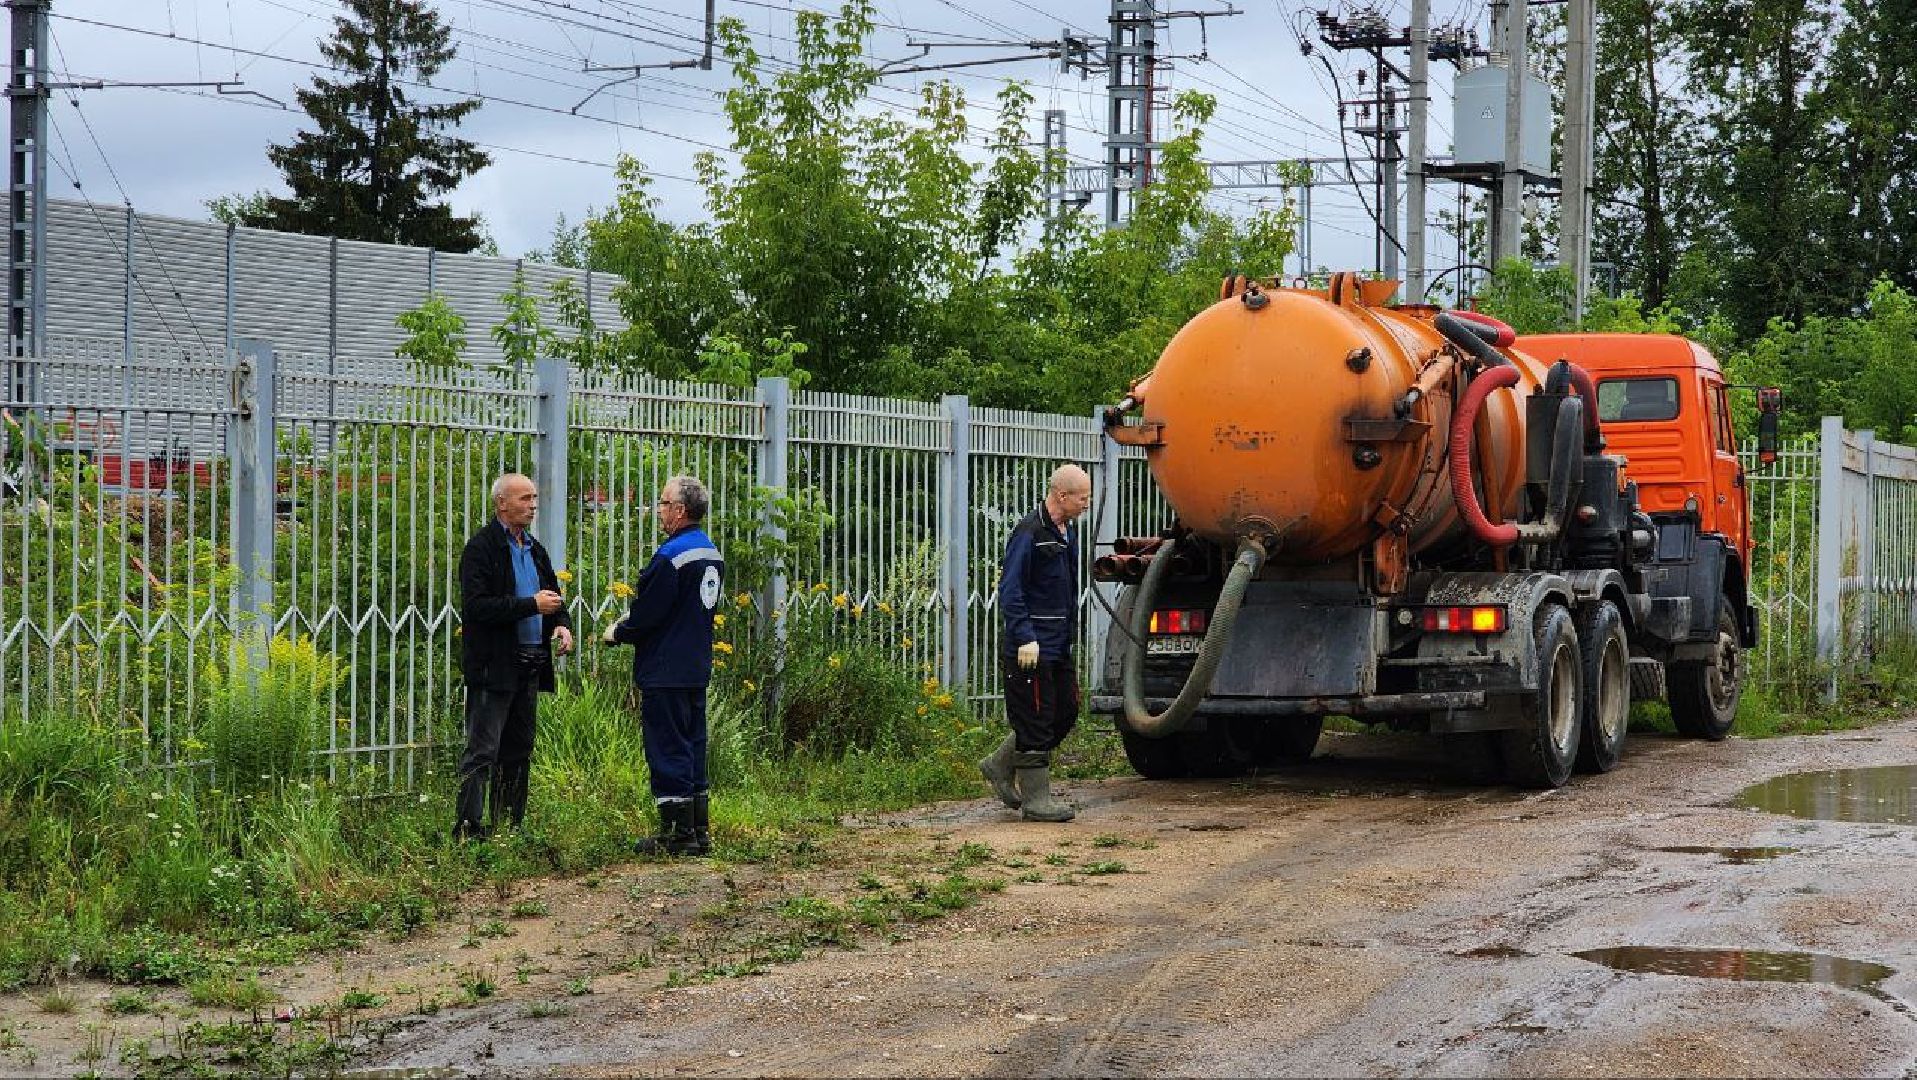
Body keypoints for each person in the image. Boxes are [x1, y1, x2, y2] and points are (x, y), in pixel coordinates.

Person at [602, 474, 725, 857]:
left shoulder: (670, 557)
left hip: (665, 667)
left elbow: (648, 614)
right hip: (695, 665)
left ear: (680, 511)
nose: (659, 510)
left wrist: (618, 632)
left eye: (663, 503)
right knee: (693, 744)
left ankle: (676, 833)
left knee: (667, 745)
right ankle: (698, 829)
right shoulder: (710, 552)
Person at [455, 472, 574, 841]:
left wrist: (560, 622)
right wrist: (530, 605)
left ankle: (509, 825)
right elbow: (477, 608)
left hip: (530, 663)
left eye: (535, 498)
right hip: (494, 666)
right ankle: (469, 828)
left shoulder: (534, 548)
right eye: (524, 498)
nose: (533, 505)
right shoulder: (482, 548)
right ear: (501, 503)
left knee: (519, 749)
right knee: (483, 750)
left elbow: (552, 596)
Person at [980, 463, 1093, 823]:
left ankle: (999, 764)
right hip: (1030, 648)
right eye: (1083, 497)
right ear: (1062, 496)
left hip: (1057, 644)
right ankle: (1036, 800)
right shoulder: (1029, 532)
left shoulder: (1066, 533)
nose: (1087, 503)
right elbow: (1010, 590)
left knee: (1064, 712)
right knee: (1035, 718)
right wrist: (1025, 637)